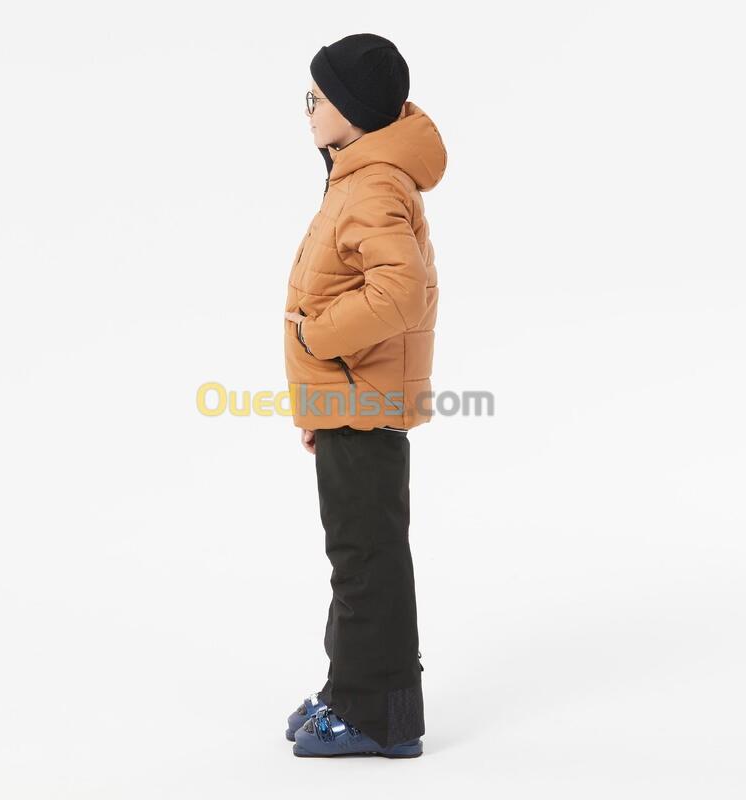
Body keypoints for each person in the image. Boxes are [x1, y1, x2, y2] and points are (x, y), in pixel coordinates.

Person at [282, 33, 447, 758]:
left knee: (365, 558)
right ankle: (350, 693)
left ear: (350, 108)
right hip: (349, 401)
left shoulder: (373, 184)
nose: (307, 110)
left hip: (362, 398)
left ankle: (378, 717)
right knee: (359, 553)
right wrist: (318, 406)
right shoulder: (356, 176)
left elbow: (399, 293)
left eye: (316, 97)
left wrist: (318, 338)